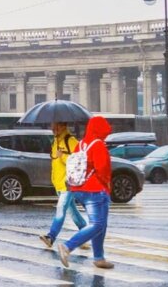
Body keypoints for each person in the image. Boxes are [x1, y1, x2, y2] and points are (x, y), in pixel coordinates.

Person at [57, 116, 115, 270]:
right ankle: (67, 246)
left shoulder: (81, 144)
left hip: (79, 188)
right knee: (97, 224)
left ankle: (99, 258)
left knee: (99, 224)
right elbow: (103, 169)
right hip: (95, 190)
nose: (108, 130)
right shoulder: (98, 145)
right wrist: (106, 184)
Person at [39, 122, 87, 248]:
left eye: (56, 126)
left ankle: (51, 236)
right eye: (52, 126)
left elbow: (78, 161)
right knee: (72, 211)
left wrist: (63, 156)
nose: (53, 128)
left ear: (64, 126)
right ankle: (85, 232)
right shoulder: (55, 141)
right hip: (58, 182)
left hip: (68, 183)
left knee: (60, 210)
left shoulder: (71, 141)